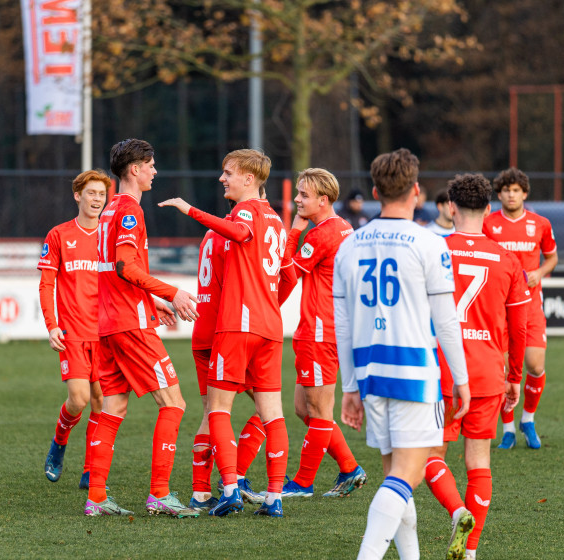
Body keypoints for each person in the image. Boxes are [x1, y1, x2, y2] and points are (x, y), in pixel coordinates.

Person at [334, 148, 470, 559]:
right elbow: (446, 322)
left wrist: (350, 385)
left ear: (375, 191)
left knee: (395, 476)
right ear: (415, 190)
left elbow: (342, 324)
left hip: (370, 369)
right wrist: (462, 380)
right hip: (412, 369)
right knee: (406, 477)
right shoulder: (429, 243)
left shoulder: (350, 244)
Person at [160, 149, 292, 518]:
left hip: (232, 325)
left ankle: (225, 488)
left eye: (228, 172)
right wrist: (270, 304)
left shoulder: (240, 215)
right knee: (273, 414)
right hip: (270, 326)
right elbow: (290, 274)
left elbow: (235, 233)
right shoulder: (278, 223)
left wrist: (189, 210)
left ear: (249, 179)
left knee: (215, 409)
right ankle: (274, 497)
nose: (222, 178)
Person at [85, 139, 200, 518]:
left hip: (109, 322)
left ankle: (97, 497)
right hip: (130, 326)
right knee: (174, 403)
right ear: (134, 169)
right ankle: (160, 494)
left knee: (114, 406)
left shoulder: (109, 210)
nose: (154, 171)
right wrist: (174, 292)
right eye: (150, 165)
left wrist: (154, 302)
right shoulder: (130, 210)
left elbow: (113, 273)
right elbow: (125, 267)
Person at [425, 173, 530, 560]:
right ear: (489, 209)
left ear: (450, 207)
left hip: (441, 371)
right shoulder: (507, 259)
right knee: (478, 462)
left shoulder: (433, 249)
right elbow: (519, 328)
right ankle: (469, 552)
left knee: (430, 456)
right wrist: (514, 377)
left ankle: (457, 512)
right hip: (487, 374)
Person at [277, 169, 367, 500]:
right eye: (298, 193)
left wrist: (293, 232)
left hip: (321, 330)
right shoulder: (344, 226)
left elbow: (287, 275)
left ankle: (302, 483)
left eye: (303, 195)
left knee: (317, 410)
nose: (297, 199)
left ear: (322, 200)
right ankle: (349, 467)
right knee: (305, 408)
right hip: (323, 328)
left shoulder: (321, 235)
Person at [188, 196, 266, 512]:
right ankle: (236, 477)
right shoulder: (232, 237)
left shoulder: (210, 234)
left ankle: (200, 492)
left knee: (211, 412)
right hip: (229, 329)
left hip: (202, 331)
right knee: (267, 408)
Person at [40, 170, 110, 488]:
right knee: (79, 400)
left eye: (101, 194)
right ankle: (59, 441)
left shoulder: (110, 236)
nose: (97, 199)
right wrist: (52, 325)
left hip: (106, 332)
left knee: (100, 401)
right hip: (72, 332)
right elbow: (46, 284)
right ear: (77, 196)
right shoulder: (59, 235)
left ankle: (90, 469)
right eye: (91, 193)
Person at [484, 167, 557, 450]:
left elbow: (552, 257)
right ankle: (508, 429)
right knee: (502, 370)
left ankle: (528, 419)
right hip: (499, 307)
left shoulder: (540, 224)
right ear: (499, 194)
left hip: (530, 306)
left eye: (516, 190)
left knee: (535, 365)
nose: (511, 195)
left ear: (524, 193)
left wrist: (540, 272)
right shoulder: (489, 224)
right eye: (506, 190)